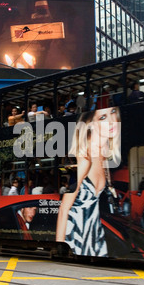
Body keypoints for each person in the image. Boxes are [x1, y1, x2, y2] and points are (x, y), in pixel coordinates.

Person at [56, 107, 121, 257]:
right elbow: (64, 209)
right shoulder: (83, 158)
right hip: (75, 238)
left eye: (112, 113)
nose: (112, 121)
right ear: (90, 124)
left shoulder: (104, 157)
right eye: (103, 118)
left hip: (96, 238)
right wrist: (60, 247)